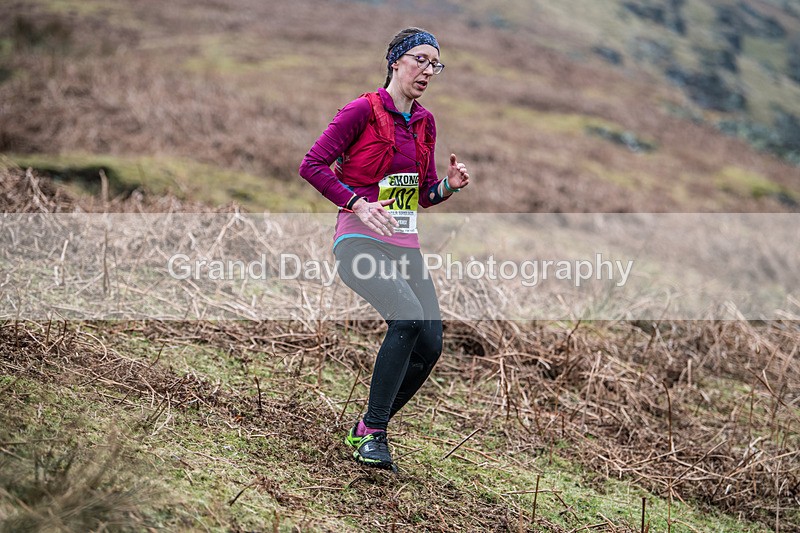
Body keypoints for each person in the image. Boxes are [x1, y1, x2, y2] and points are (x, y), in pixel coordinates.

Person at [298, 27, 470, 470]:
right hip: (357, 240)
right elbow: (312, 165)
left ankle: (366, 429)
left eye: (436, 64)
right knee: (408, 318)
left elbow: (418, 195)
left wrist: (446, 187)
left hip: (404, 246)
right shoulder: (361, 110)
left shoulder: (425, 122)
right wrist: (357, 202)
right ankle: (374, 433)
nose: (428, 70)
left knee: (430, 345)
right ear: (395, 61)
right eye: (420, 60)